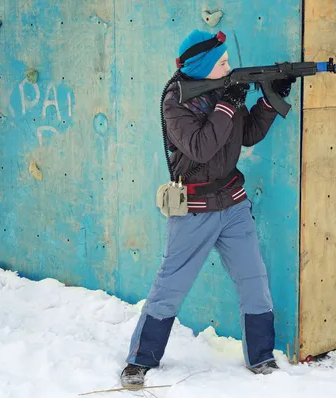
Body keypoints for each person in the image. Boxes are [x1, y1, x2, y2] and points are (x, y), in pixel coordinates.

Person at [120, 29, 295, 390]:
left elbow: (244, 135)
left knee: (255, 282)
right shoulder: (177, 102)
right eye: (223, 63)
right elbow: (201, 148)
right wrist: (229, 102)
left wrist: (270, 100)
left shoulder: (221, 92)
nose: (230, 66)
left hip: (233, 204)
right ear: (202, 68)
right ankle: (139, 360)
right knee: (170, 287)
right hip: (194, 210)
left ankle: (261, 356)